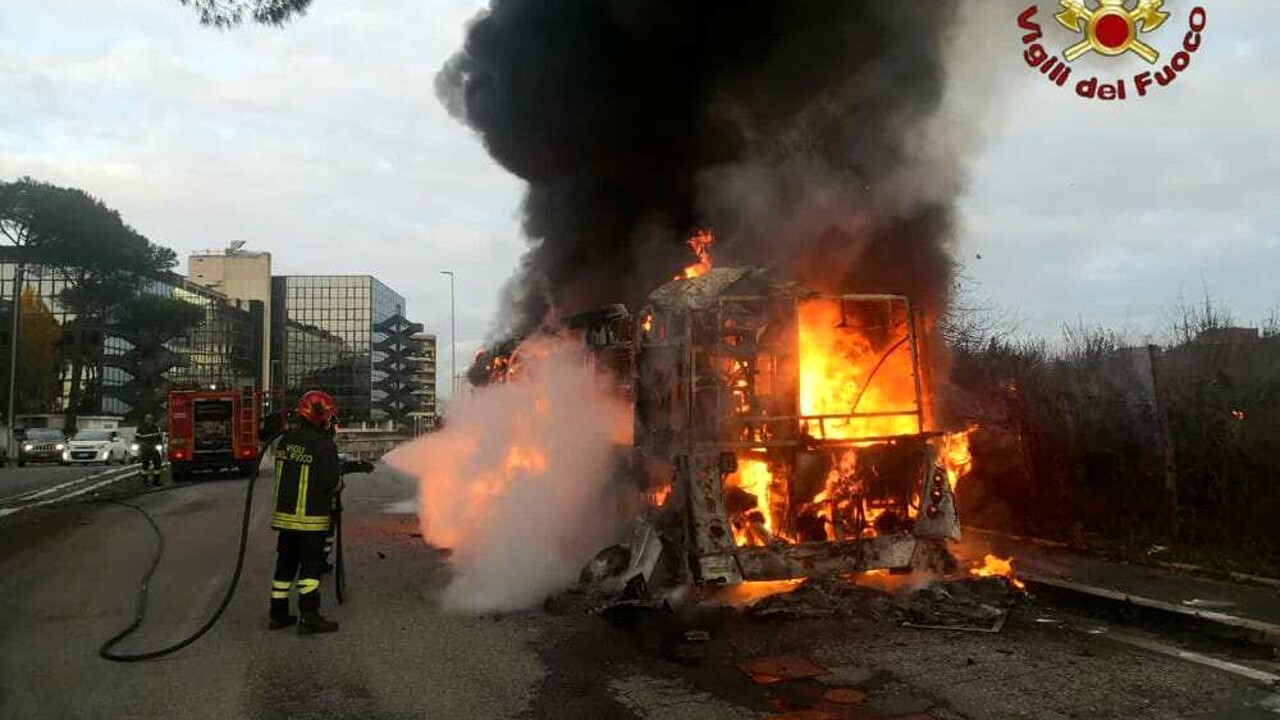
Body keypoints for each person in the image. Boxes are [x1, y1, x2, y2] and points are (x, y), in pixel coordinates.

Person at [268, 390, 343, 634]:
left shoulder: (287, 440)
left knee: (285, 567)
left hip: (285, 519)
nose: (332, 422)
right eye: (330, 417)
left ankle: (277, 614)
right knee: (310, 571)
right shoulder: (324, 446)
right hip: (311, 520)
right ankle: (309, 616)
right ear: (320, 416)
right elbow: (330, 483)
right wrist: (341, 483)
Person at [134, 414, 164, 488]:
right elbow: (137, 438)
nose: (149, 420)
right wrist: (140, 445)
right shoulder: (141, 428)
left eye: (150, 419)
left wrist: (160, 444)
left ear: (152, 420)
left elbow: (159, 437)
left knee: (158, 463)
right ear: (145, 419)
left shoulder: (156, 428)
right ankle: (145, 482)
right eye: (148, 419)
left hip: (154, 448)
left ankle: (156, 481)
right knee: (145, 465)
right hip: (145, 449)